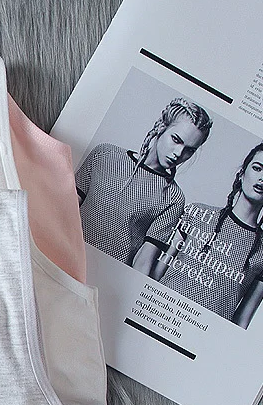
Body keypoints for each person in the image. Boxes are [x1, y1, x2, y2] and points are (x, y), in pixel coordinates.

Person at [75, 97, 213, 266]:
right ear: (162, 127)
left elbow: (143, 262)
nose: (178, 153)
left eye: (189, 150)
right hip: (66, 253)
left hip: (109, 273)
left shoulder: (173, 197)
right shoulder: (105, 155)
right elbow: (65, 208)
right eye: (176, 140)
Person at [150, 143, 263, 327]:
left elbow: (241, 321)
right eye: (257, 168)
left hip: (204, 335)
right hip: (160, 317)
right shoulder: (197, 213)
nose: (262, 178)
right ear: (242, 173)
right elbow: (156, 274)